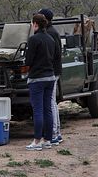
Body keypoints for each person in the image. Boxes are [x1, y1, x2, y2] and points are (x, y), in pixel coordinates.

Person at [25, 14, 59, 151]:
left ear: (35, 24)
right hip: (50, 77)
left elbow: (28, 61)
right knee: (47, 109)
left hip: (37, 78)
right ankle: (48, 140)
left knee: (37, 110)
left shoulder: (33, 39)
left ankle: (37, 141)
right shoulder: (51, 39)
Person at [38, 9, 63, 145]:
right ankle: (57, 132)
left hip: (51, 71)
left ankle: (53, 133)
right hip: (53, 71)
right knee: (52, 102)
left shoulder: (51, 33)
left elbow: (54, 54)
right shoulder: (52, 31)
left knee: (50, 103)